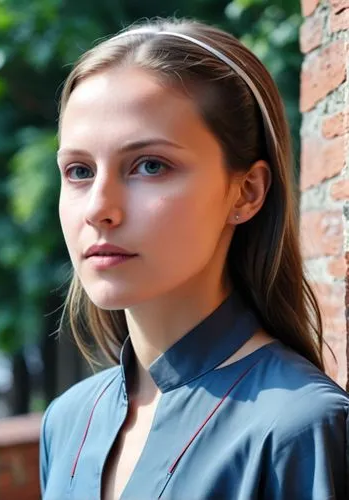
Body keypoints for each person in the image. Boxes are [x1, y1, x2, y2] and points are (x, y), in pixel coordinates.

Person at [39, 17, 349, 500]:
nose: (99, 207)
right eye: (79, 170)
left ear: (245, 192)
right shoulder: (66, 423)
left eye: (150, 165)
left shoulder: (300, 429)